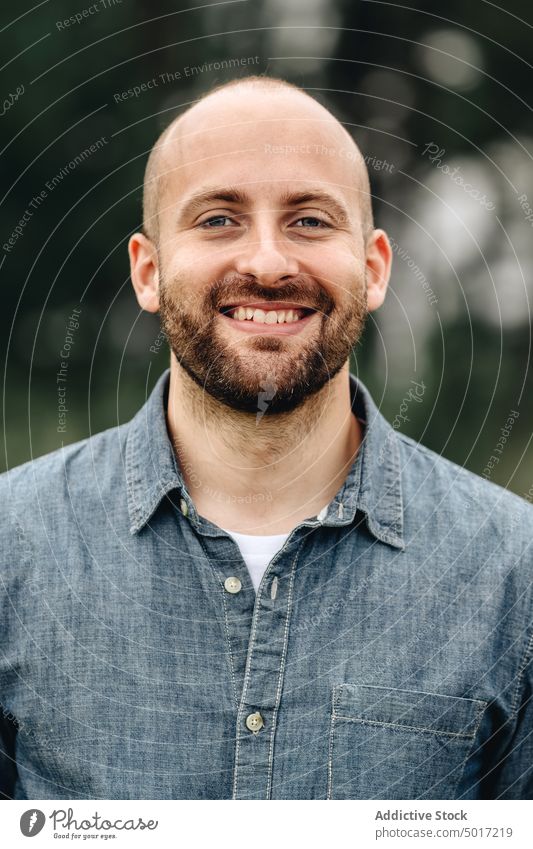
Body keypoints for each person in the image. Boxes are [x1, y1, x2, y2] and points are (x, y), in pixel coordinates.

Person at [1, 75, 532, 801]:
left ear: (372, 268)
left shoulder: (514, 574)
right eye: (218, 219)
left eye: (310, 221)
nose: (268, 263)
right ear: (147, 271)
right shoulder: (11, 549)